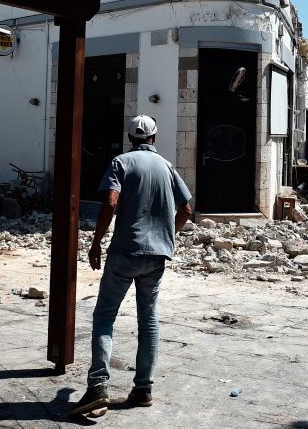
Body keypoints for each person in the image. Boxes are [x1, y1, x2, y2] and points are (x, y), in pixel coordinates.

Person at [69, 114, 193, 416]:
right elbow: (186, 208)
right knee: (148, 318)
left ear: (130, 138)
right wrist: (169, 235)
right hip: (156, 256)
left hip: (125, 252)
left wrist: (97, 241)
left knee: (105, 315)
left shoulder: (120, 163)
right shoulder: (166, 166)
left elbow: (111, 202)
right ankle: (143, 389)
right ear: (153, 138)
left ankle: (98, 386)